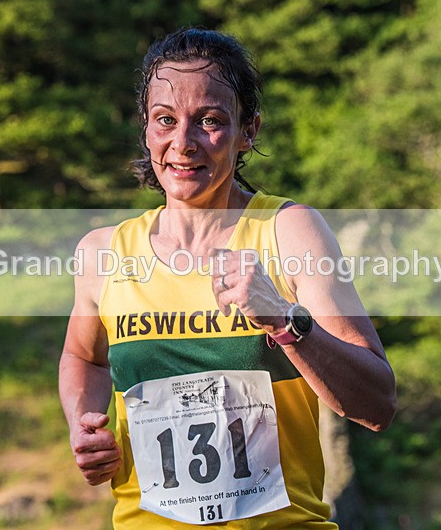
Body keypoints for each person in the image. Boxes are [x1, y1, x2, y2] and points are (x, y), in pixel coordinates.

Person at [59, 27, 396, 528]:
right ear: (145, 129)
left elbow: (376, 403)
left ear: (249, 131)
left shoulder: (288, 232)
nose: (183, 143)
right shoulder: (104, 252)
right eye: (165, 120)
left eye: (209, 121)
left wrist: (284, 322)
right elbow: (83, 357)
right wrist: (83, 427)